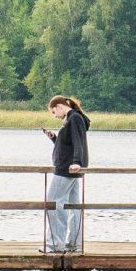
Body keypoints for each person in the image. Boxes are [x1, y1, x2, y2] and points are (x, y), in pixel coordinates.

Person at [44, 95, 90, 253]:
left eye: (53, 112)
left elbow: (78, 141)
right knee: (73, 206)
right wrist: (54, 138)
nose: (54, 115)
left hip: (66, 169)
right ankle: (74, 244)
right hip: (71, 169)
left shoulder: (74, 118)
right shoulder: (73, 118)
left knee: (53, 202)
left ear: (59, 106)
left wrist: (77, 161)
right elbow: (68, 144)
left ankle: (55, 244)